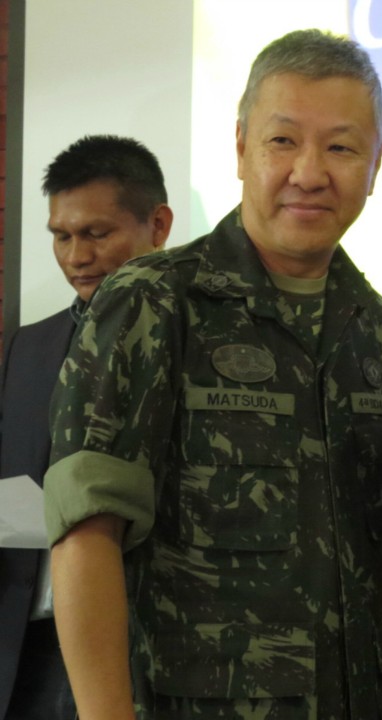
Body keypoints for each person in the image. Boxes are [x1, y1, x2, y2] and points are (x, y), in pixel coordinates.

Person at [44, 30, 382, 720]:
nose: (309, 172)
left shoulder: (381, 333)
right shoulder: (152, 301)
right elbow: (84, 534)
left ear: (376, 162)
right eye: (282, 142)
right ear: (241, 147)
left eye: (340, 146)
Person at [0, 135, 172, 720]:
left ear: (159, 224)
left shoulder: (201, 339)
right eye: (61, 236)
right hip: (27, 650)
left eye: (97, 234)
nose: (76, 256)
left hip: (148, 648)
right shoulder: (27, 347)